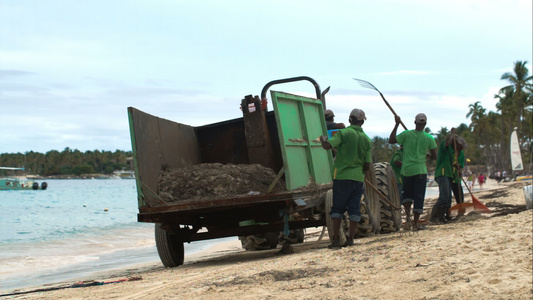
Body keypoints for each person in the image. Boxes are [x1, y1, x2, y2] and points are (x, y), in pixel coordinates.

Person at [320, 108, 372, 249]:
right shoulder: (367, 140)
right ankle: (350, 239)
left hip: (342, 177)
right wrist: (361, 175)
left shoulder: (343, 133)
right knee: (354, 208)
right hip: (357, 178)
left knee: (337, 208)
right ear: (362, 122)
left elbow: (327, 146)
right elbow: (367, 164)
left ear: (350, 120)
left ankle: (336, 240)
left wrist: (323, 139)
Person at [389, 113, 437, 230]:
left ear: (415, 122)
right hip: (420, 170)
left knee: (407, 196)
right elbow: (435, 156)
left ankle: (408, 220)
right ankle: (415, 224)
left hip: (407, 170)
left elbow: (391, 140)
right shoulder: (429, 138)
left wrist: (396, 125)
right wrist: (427, 156)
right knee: (419, 197)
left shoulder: (407, 134)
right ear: (425, 124)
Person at [430, 129, 467, 223]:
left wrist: (458, 168)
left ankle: (443, 216)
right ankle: (434, 217)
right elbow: (446, 143)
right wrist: (452, 134)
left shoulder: (459, 153)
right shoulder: (446, 148)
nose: (461, 149)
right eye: (459, 146)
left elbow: (457, 164)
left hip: (450, 175)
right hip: (442, 173)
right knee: (444, 196)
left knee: (449, 198)